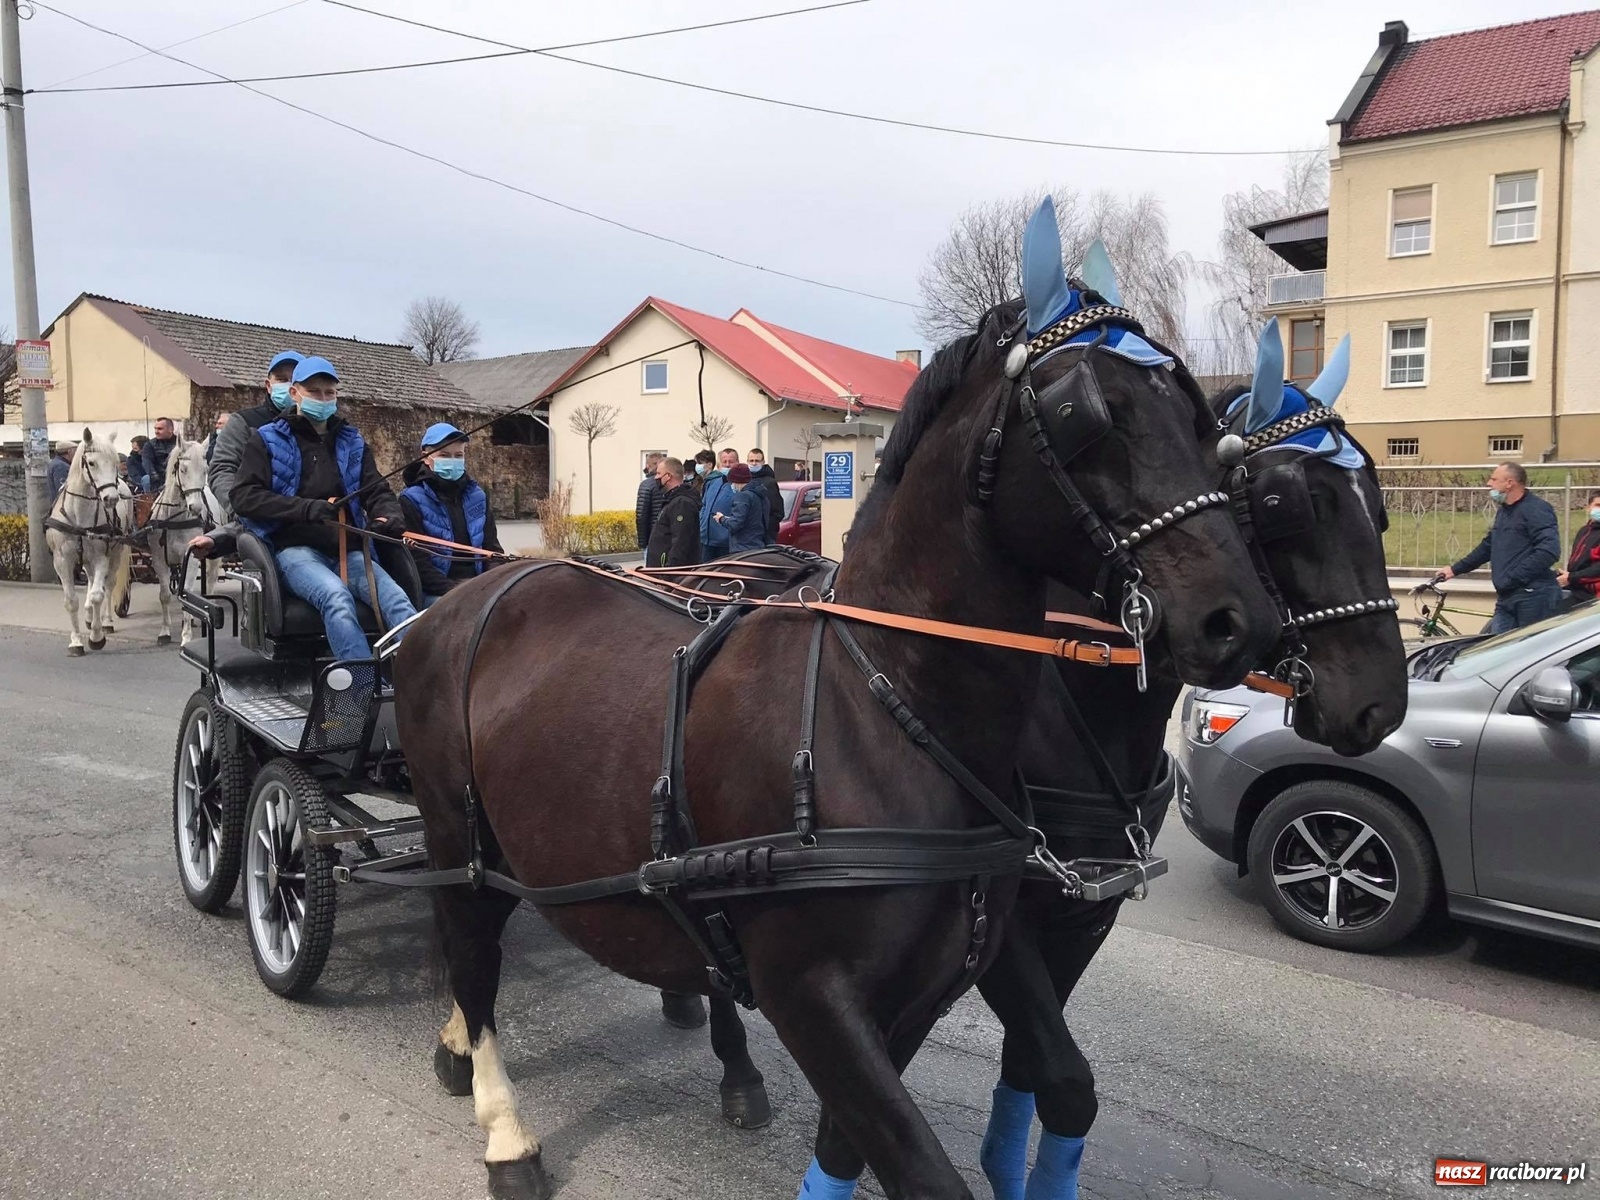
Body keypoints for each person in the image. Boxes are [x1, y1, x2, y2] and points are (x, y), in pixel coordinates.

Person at [228, 355, 416, 662]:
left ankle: (423, 684)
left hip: (350, 550)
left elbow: (377, 490)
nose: (324, 399)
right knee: (337, 599)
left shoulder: (352, 441)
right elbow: (244, 497)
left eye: (330, 393)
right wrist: (305, 508)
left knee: (398, 601)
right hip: (295, 551)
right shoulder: (265, 440)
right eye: (314, 392)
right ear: (295, 393)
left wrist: (388, 517)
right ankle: (357, 689)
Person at [1441, 462, 1562, 633]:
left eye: (1494, 479)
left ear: (1510, 483)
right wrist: (1454, 570)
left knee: (1530, 650)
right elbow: (1489, 546)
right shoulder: (1505, 511)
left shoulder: (1536, 509)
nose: (1489, 484)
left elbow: (1549, 551)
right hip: (1507, 595)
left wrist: (1514, 577)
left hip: (1533, 595)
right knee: (1498, 650)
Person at [399, 423, 503, 608]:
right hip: (435, 593)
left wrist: (492, 585)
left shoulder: (478, 496)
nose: (452, 460)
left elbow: (492, 550)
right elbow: (417, 564)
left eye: (458, 455)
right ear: (426, 457)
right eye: (444, 455)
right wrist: (456, 591)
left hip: (478, 587)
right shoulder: (410, 499)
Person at [210, 350, 304, 517]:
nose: (289, 386)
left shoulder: (322, 427)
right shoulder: (244, 423)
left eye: (294, 380)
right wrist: (241, 511)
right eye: (282, 380)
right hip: (256, 518)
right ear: (268, 385)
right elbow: (222, 470)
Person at [645, 457, 700, 568]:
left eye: (659, 473)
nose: (656, 477)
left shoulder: (682, 503)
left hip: (669, 574)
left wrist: (668, 572)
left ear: (668, 476)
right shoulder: (671, 500)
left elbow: (681, 542)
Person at [1557, 490, 1600, 604]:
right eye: (1598, 505)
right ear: (1588, 507)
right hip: (1576, 588)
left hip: (1593, 595)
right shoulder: (1584, 531)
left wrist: (1571, 577)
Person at [714, 463, 766, 553]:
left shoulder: (742, 496)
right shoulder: (758, 494)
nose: (731, 485)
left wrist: (722, 519)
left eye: (732, 482)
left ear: (737, 481)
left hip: (742, 548)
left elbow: (735, 524)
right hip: (757, 545)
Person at [698, 447, 740, 559]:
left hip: (726, 544)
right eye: (724, 462)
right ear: (719, 464)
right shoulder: (712, 482)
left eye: (731, 462)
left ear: (737, 463)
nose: (727, 465)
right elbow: (704, 506)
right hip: (706, 541)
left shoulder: (740, 486)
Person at [745, 447, 782, 544]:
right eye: (751, 460)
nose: (754, 463)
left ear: (763, 462)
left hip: (765, 536)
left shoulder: (770, 483)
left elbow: (778, 512)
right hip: (747, 535)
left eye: (757, 461)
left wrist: (764, 526)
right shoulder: (744, 480)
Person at [635, 453, 665, 549]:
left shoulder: (646, 485)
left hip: (652, 536)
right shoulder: (670, 482)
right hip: (668, 535)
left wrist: (642, 543)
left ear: (648, 466)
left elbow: (641, 515)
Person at [141, 417, 178, 494]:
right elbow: (147, 463)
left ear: (170, 429)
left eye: (160, 429)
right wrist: (155, 477)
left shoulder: (180, 444)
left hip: (177, 477)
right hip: (157, 479)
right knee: (146, 479)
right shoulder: (149, 445)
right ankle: (150, 503)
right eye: (155, 429)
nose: (156, 432)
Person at [45, 441, 74, 505]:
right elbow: (62, 490)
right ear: (70, 452)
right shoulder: (61, 466)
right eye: (75, 452)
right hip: (62, 507)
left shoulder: (56, 463)